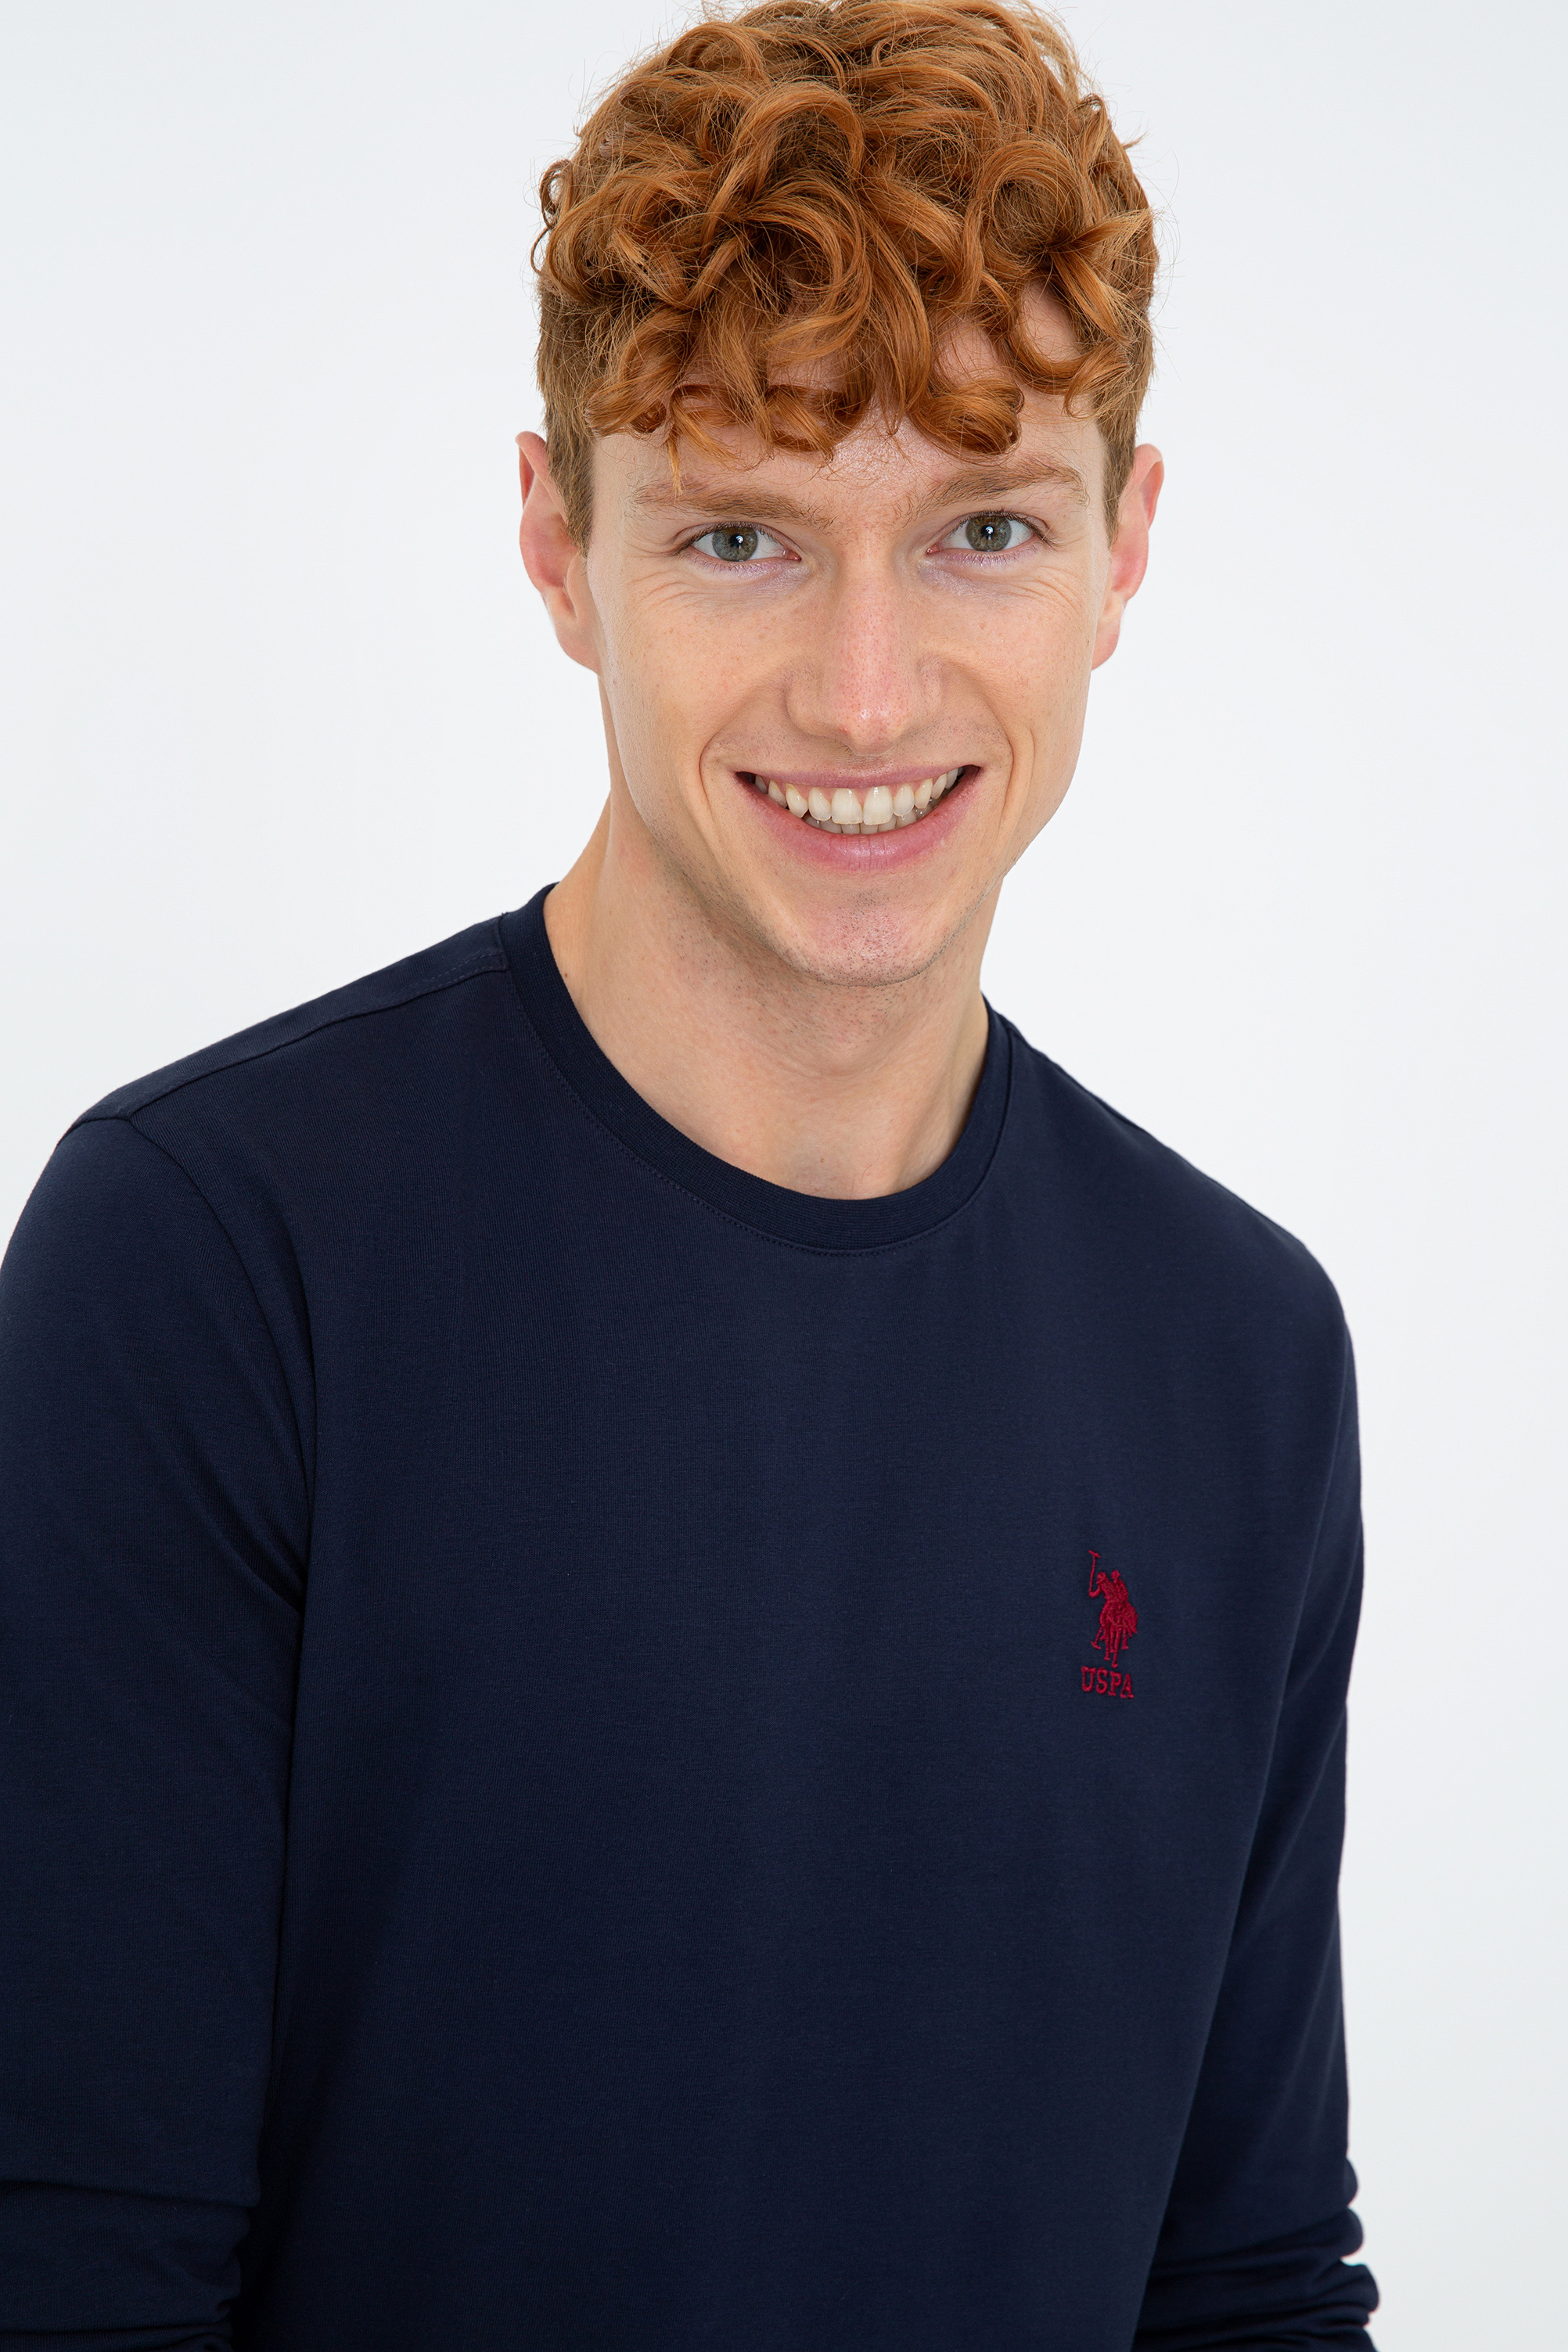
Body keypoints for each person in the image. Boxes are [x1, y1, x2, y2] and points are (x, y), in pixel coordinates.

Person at [0, 2, 1379, 2343]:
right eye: (740, 536)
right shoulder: (217, 1267)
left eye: (982, 531)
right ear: (560, 550)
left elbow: (1241, 2284)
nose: (866, 695)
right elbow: (74, 2289)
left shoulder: (1238, 1354)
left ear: (1124, 547)